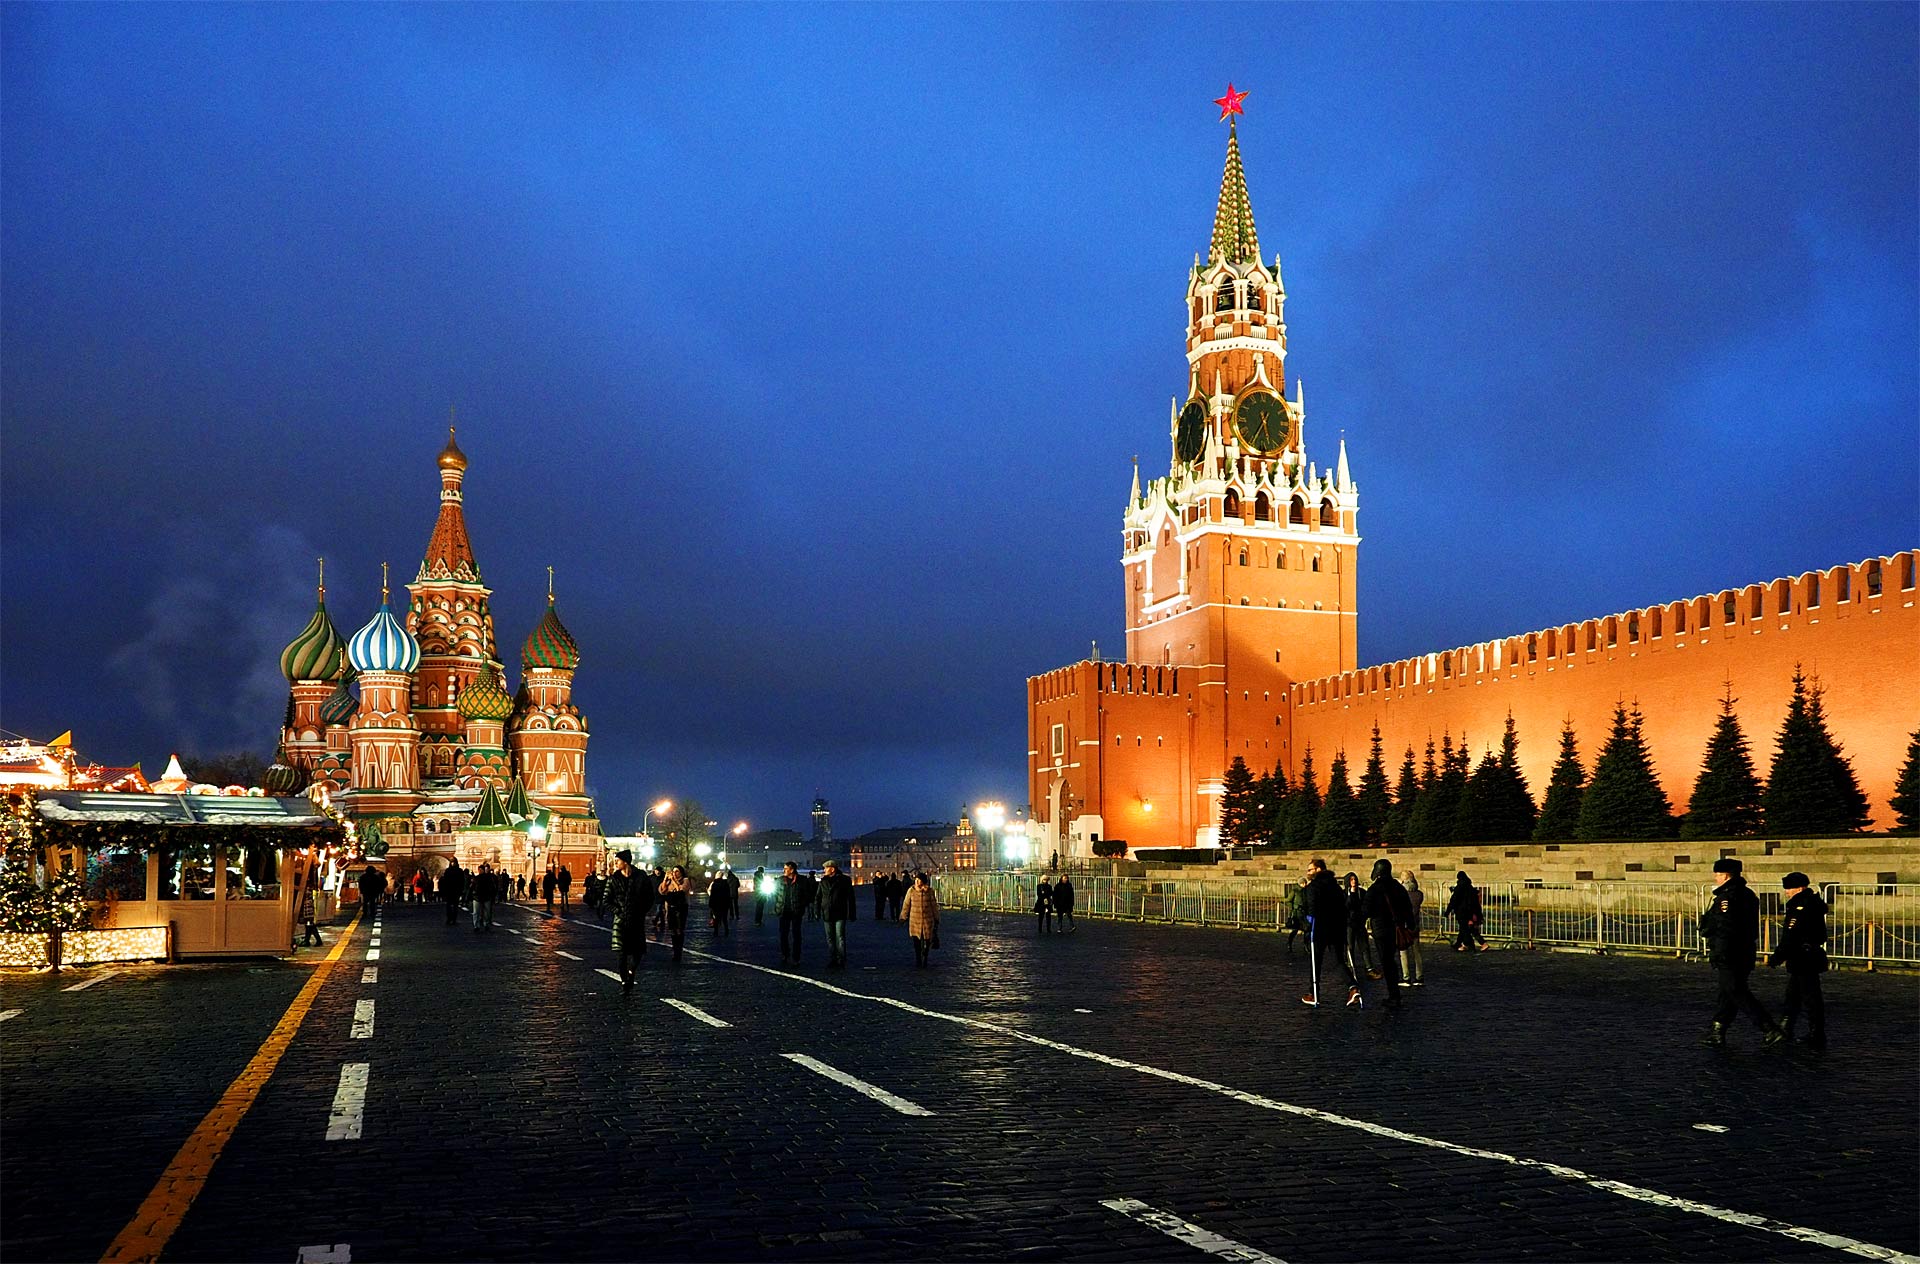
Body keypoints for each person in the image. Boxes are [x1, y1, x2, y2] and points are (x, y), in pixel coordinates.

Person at [1700, 857, 1785, 1048]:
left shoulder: (1728, 898)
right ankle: (1718, 1031)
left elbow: (1725, 927)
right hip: (1744, 949)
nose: (1716, 878)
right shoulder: (1747, 894)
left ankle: (1769, 1028)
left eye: (1718, 875)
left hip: (1730, 951)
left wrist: (1719, 952)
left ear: (1726, 876)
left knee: (1735, 991)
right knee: (1727, 991)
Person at [1769, 871, 1828, 1049]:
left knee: (1810, 997)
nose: (1787, 892)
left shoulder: (1800, 906)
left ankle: (1816, 1034)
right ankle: (1786, 1029)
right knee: (1793, 995)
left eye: (1790, 888)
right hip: (1807, 955)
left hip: (1803, 957)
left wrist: (1778, 956)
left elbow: (1790, 935)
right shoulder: (1811, 903)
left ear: (1800, 888)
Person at [1300, 858, 1361, 1009]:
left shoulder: (1313, 887)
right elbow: (1344, 906)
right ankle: (1353, 987)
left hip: (1320, 928)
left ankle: (1313, 992)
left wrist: (1308, 926)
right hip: (1338, 928)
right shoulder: (1336, 886)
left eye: (1310, 870)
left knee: (1316, 961)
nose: (1308, 873)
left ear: (1319, 869)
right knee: (1339, 960)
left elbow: (1311, 909)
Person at [1364, 859, 1417, 1010]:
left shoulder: (1374, 889)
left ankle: (1394, 995)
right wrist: (1410, 926)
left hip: (1381, 930)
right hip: (1396, 928)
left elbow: (1366, 910)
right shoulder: (1398, 887)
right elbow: (1407, 908)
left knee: (1387, 962)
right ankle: (1394, 993)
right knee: (1391, 961)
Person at [604, 849, 655, 992]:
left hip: (637, 919)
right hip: (620, 921)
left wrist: (642, 911)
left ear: (625, 862)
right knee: (621, 953)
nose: (615, 864)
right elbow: (606, 900)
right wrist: (618, 911)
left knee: (637, 951)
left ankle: (631, 972)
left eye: (617, 861)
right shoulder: (613, 879)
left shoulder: (641, 877)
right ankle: (624, 980)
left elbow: (649, 896)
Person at [816, 860, 857, 967]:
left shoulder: (845, 880)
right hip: (827, 912)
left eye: (826, 868)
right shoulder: (823, 881)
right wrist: (817, 911)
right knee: (831, 937)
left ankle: (841, 959)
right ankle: (833, 958)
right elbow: (818, 897)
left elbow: (851, 898)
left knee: (839, 937)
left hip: (839, 912)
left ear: (832, 869)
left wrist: (852, 913)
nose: (824, 870)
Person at [1343, 872, 1377, 977]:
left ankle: (1369, 968)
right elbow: (1345, 907)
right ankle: (1350, 967)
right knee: (1350, 946)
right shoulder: (1344, 893)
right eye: (1351, 879)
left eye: (1355, 879)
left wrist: (1364, 916)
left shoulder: (1362, 892)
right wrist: (1351, 894)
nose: (1354, 881)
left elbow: (1367, 905)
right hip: (1349, 924)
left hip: (1360, 923)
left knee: (1364, 946)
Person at [903, 871, 940, 967]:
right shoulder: (911, 891)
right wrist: (903, 916)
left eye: (918, 880)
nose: (916, 881)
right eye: (916, 880)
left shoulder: (929, 891)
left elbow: (934, 906)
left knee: (927, 940)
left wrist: (936, 918)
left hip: (928, 920)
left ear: (923, 881)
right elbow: (906, 904)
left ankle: (925, 956)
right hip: (915, 920)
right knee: (916, 941)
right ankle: (918, 959)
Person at [1446, 872, 1486, 951]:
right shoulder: (1470, 887)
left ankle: (1472, 945)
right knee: (1464, 929)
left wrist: (1448, 911)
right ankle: (1459, 944)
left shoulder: (1459, 888)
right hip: (1470, 912)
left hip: (1462, 912)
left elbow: (1453, 901)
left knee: (1466, 929)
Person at [659, 866, 692, 961]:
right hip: (670, 908)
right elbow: (662, 891)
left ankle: (679, 951)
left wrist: (674, 881)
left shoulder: (685, 880)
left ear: (681, 872)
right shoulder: (669, 881)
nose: (674, 873)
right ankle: (675, 950)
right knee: (672, 930)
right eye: (673, 871)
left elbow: (682, 891)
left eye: (677, 871)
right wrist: (665, 879)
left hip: (681, 908)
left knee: (679, 930)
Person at [774, 862, 805, 964]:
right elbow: (775, 895)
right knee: (783, 934)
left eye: (786, 869)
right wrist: (777, 907)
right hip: (783, 911)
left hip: (796, 911)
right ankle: (785, 954)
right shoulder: (779, 880)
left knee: (796, 935)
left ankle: (796, 957)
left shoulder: (801, 881)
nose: (784, 871)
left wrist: (801, 905)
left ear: (792, 870)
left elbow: (807, 894)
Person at [1400, 873, 1426, 987]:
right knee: (1417, 952)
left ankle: (1406, 977)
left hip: (1404, 926)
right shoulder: (1419, 894)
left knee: (1403, 952)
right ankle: (1419, 976)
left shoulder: (1402, 895)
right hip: (1415, 926)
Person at [471, 863, 496, 931]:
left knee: (478, 912)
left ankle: (478, 925)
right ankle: (483, 924)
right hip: (482, 897)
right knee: (484, 912)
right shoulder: (487, 878)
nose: (479, 871)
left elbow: (472, 887)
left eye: (480, 869)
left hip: (480, 897)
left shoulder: (478, 878)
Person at [440, 860, 465, 925]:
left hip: (456, 891)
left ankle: (454, 919)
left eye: (454, 862)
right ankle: (449, 918)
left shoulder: (459, 871)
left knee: (455, 906)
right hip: (449, 891)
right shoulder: (448, 871)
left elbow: (462, 881)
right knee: (449, 906)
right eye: (452, 862)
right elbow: (445, 881)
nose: (453, 864)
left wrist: (461, 890)